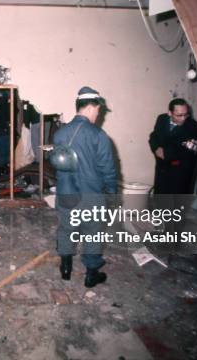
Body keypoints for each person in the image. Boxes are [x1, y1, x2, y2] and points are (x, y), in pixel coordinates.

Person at [55, 86, 118, 288]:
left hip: (66, 192)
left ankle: (66, 268)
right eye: (98, 110)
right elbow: (108, 170)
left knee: (66, 228)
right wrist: (112, 193)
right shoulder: (99, 136)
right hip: (91, 194)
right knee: (93, 232)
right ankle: (91, 275)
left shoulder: (60, 134)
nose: (98, 115)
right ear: (91, 108)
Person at [148, 98, 197, 194]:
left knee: (177, 205)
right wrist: (156, 148)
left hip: (180, 173)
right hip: (161, 170)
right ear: (170, 113)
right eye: (179, 115)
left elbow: (188, 150)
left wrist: (165, 153)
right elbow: (154, 136)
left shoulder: (195, 128)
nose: (183, 118)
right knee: (160, 202)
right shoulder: (161, 119)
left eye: (186, 114)